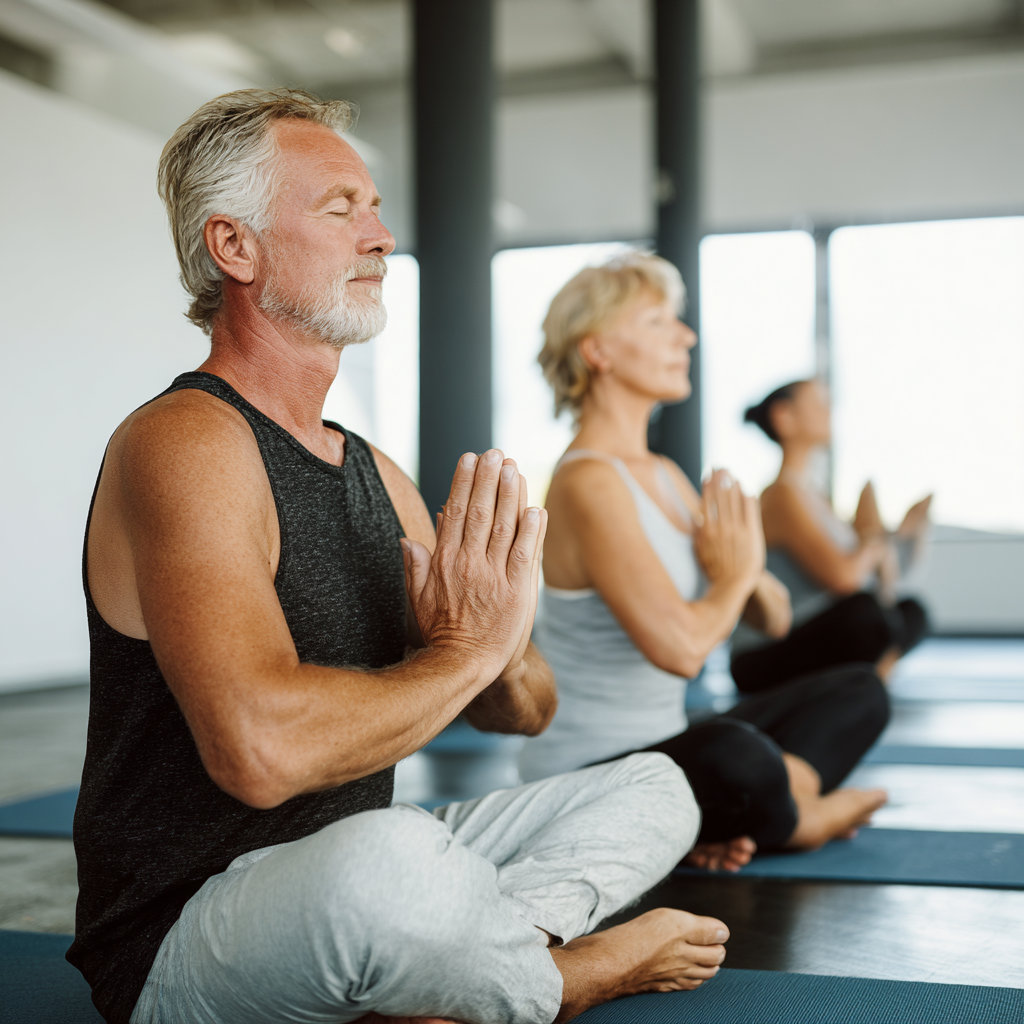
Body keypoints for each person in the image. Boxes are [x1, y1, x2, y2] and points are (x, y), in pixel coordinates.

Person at [67, 90, 731, 1024]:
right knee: (395, 866)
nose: (379, 236)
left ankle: (448, 980)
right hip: (190, 930)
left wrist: (490, 635)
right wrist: (457, 658)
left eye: (375, 208)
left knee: (659, 786)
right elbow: (259, 751)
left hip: (362, 873)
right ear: (235, 248)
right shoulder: (185, 441)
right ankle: (560, 977)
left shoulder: (375, 471)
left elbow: (528, 711)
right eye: (340, 208)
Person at [518, 253, 889, 873]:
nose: (685, 336)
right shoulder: (588, 482)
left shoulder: (664, 476)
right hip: (595, 776)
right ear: (599, 352)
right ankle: (798, 819)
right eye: (659, 322)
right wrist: (737, 577)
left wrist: (745, 569)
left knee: (860, 689)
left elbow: (771, 619)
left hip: (667, 744)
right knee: (733, 752)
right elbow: (685, 651)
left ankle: (769, 803)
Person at [732, 379, 930, 693]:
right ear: (784, 417)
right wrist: (872, 539)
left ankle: (871, 681)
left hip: (812, 633)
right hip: (764, 653)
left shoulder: (815, 496)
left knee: (912, 611)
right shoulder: (782, 494)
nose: (829, 412)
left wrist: (901, 534)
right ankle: (865, 685)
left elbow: (873, 573)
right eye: (819, 404)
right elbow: (845, 578)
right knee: (864, 614)